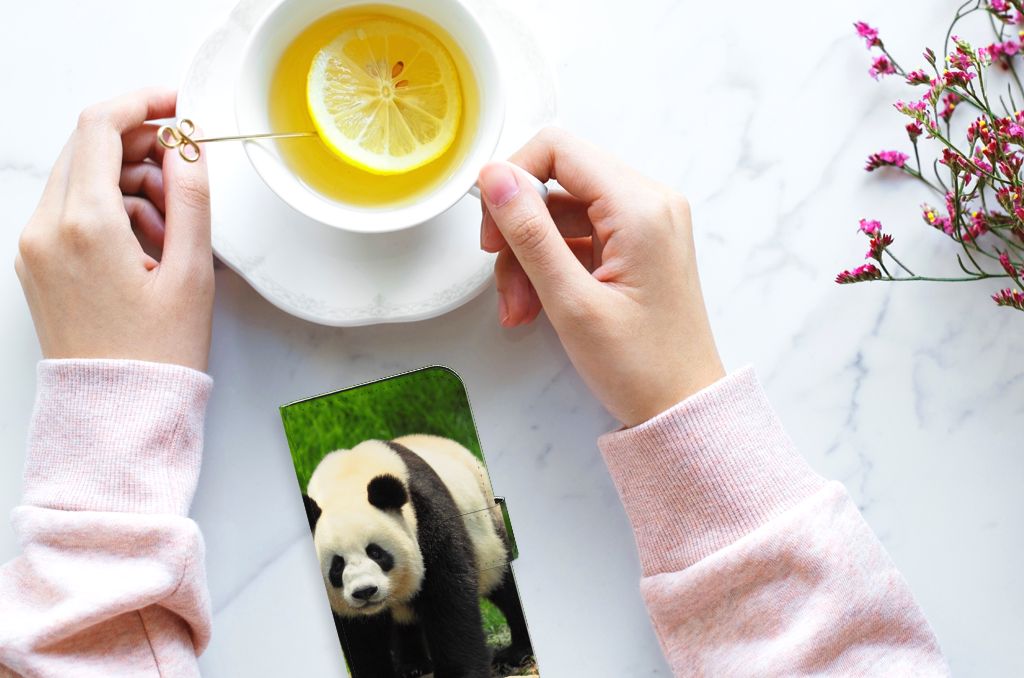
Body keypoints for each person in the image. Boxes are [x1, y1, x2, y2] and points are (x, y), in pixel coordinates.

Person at [0, 88, 949, 676]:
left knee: (456, 619)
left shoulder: (406, 508)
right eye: (352, 568)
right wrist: (687, 410)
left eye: (357, 561)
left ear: (395, 502)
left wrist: (106, 454)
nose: (358, 580)